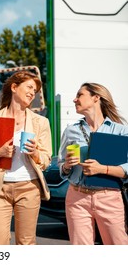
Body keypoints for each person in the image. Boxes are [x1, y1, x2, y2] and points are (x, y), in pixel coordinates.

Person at [0, 70, 52, 245]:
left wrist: (34, 152)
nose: (33, 92)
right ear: (14, 87)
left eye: (36, 90)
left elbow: (47, 158)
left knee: (26, 243)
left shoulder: (41, 122)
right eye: (30, 87)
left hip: (29, 186)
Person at [58, 82, 128, 245]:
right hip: (77, 197)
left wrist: (102, 169)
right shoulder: (71, 130)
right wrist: (67, 165)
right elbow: (62, 165)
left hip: (109, 197)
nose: (75, 100)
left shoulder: (120, 131)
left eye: (79, 95)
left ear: (96, 98)